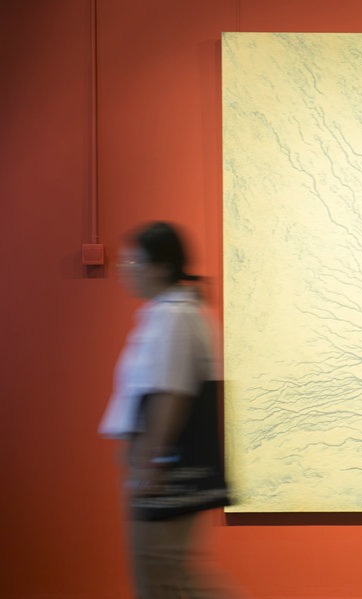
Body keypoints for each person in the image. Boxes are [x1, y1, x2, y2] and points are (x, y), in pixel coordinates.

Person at [99, 221, 231, 599]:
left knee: (162, 574)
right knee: (166, 572)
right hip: (158, 462)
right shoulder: (168, 312)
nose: (126, 271)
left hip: (166, 466)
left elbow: (172, 393)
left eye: (133, 262)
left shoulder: (176, 315)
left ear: (161, 266)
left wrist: (152, 460)